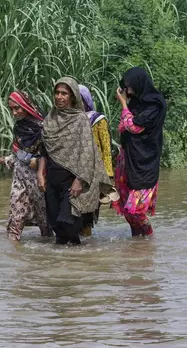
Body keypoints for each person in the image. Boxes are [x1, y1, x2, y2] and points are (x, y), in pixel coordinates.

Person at [37, 77, 113, 245]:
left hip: (71, 180)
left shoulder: (80, 120)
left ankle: (79, 263)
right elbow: (44, 150)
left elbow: (87, 153)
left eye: (64, 93)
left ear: (72, 97)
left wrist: (80, 181)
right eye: (57, 93)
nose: (59, 97)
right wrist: (40, 174)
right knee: (56, 225)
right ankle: (66, 265)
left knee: (68, 223)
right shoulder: (50, 119)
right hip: (52, 179)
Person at [0, 91, 51, 241]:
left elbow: (53, 154)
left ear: (26, 106)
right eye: (11, 109)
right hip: (20, 177)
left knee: (45, 222)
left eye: (17, 108)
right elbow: (19, 156)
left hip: (39, 179)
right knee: (15, 217)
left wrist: (39, 163)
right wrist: (2, 160)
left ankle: (48, 257)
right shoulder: (19, 128)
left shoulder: (45, 128)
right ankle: (13, 255)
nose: (14, 112)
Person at [113, 67, 167, 237]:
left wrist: (123, 104)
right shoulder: (136, 103)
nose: (127, 90)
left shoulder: (155, 104)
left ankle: (149, 237)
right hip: (128, 159)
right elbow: (122, 128)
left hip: (145, 161)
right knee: (127, 210)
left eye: (129, 86)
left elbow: (133, 126)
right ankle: (137, 246)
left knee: (136, 209)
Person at [78, 84, 114, 237]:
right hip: (73, 172)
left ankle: (87, 250)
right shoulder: (68, 120)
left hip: (93, 173)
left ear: (85, 100)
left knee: (87, 214)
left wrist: (108, 176)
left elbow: (106, 149)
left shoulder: (97, 120)